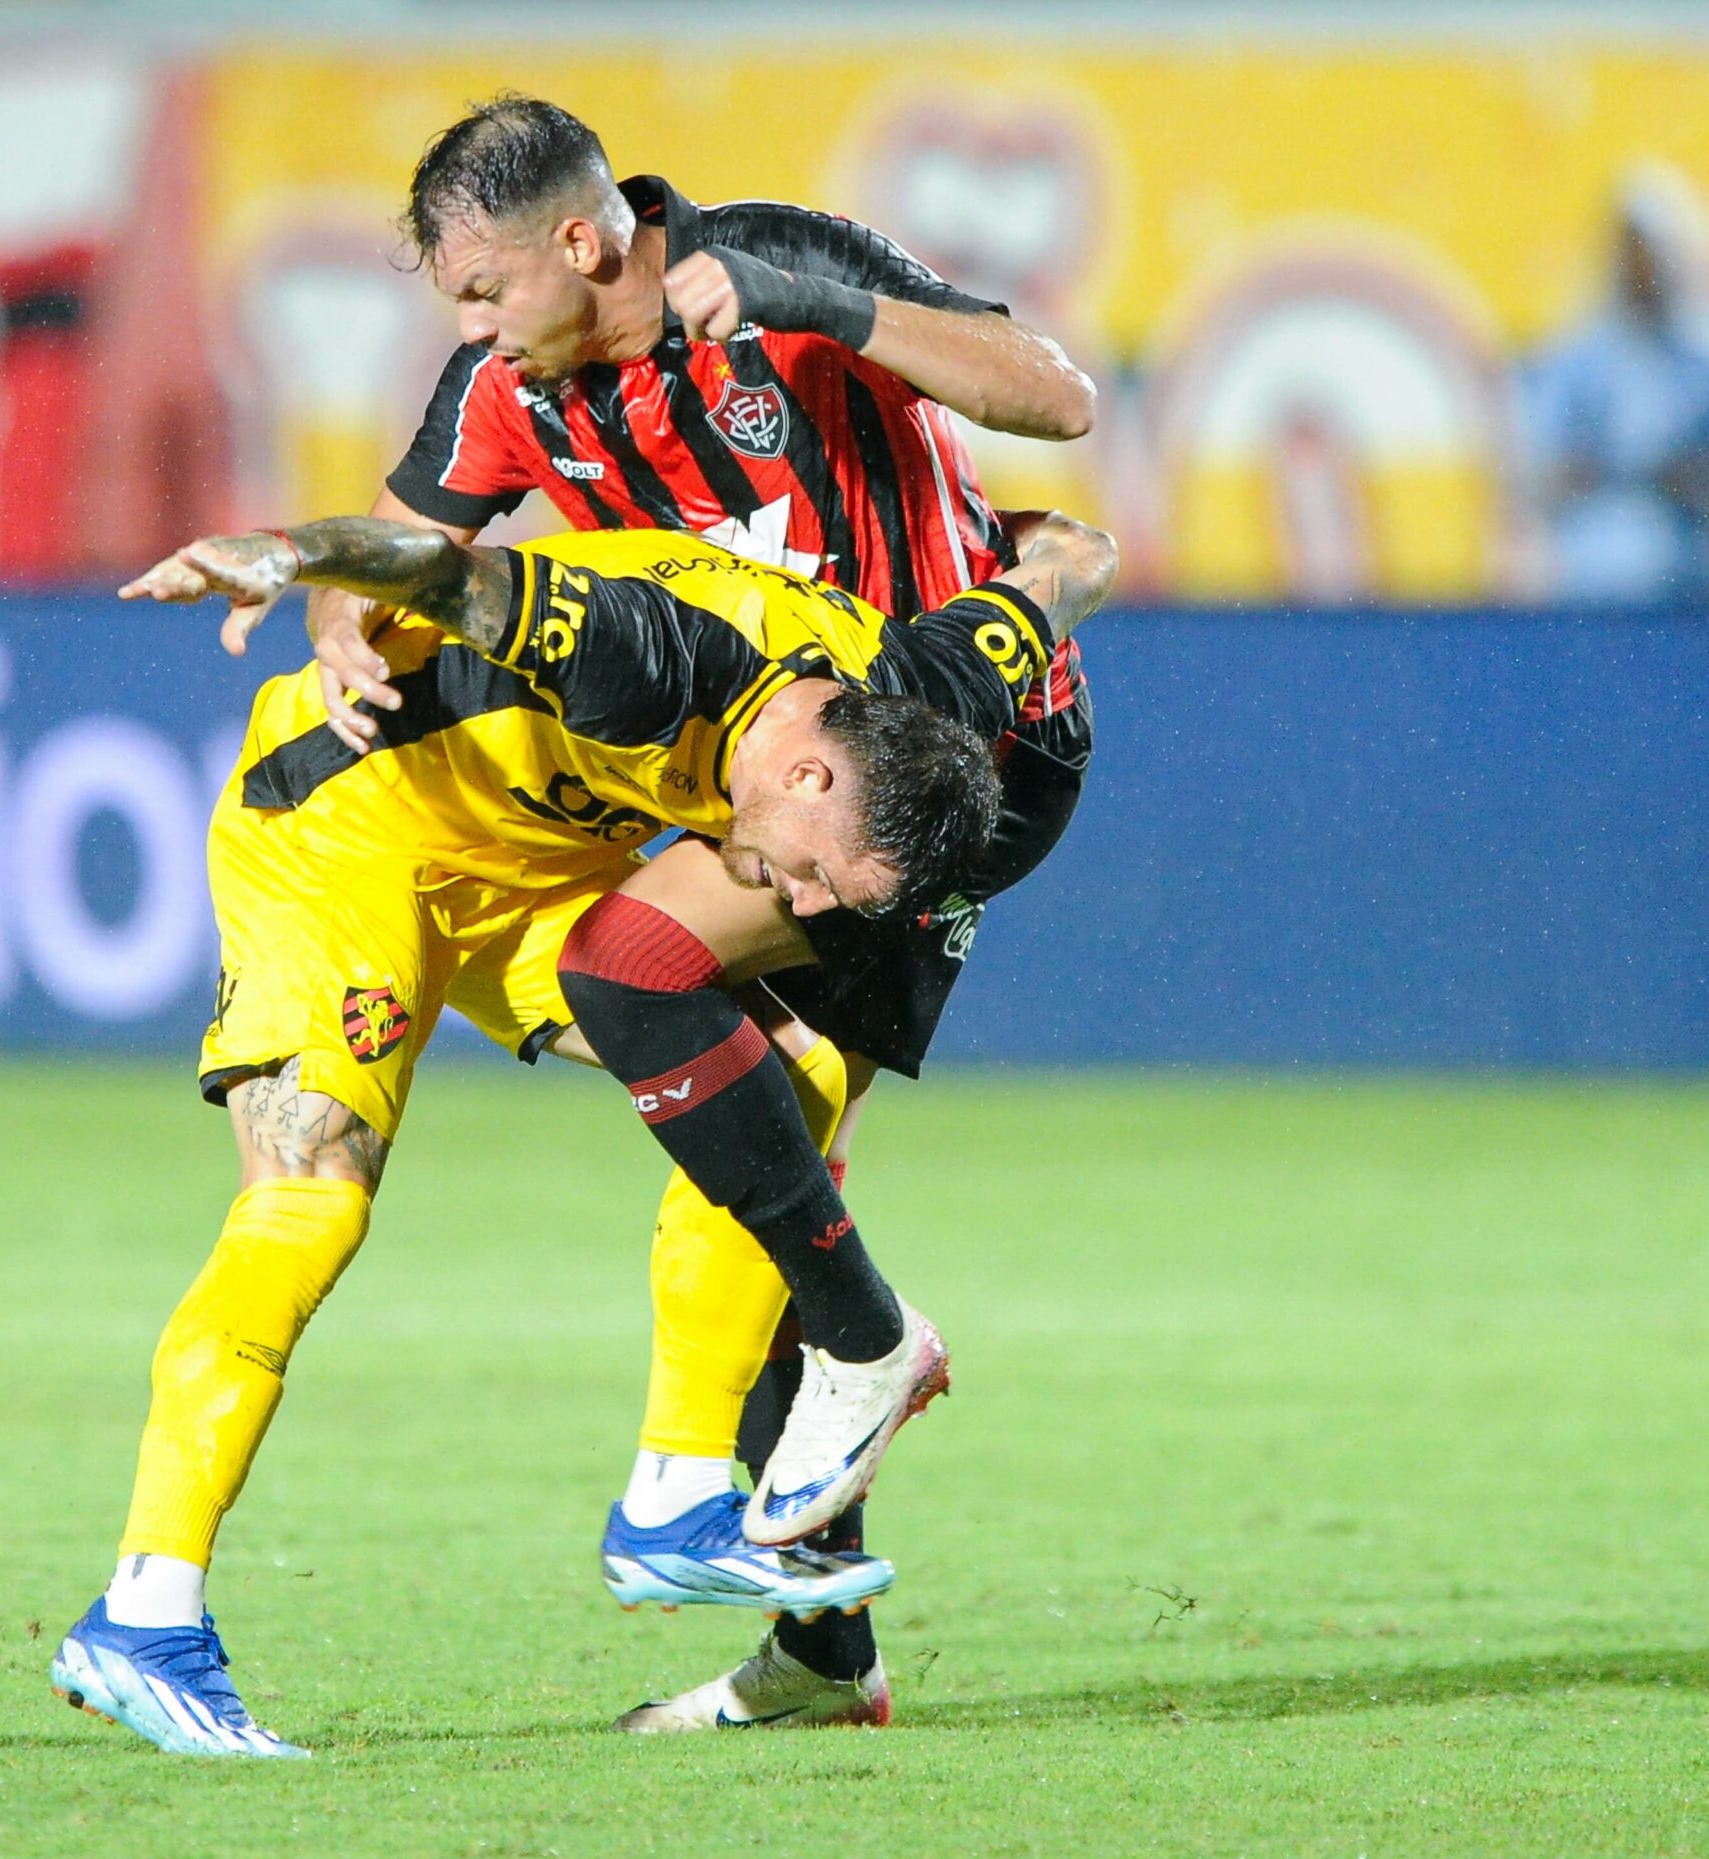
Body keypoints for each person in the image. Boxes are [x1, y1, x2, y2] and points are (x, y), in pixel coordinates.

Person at [251, 94, 1101, 1731]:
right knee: (754, 1145)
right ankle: (817, 1630)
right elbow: (406, 558)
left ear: (584, 241)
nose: (474, 329)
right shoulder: (505, 388)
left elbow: (1054, 401)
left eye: (487, 289)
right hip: (782, 783)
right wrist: (354, 625)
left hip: (946, 738)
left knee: (651, 989)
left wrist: (831, 313)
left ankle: (805, 1402)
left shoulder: (770, 266)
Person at [51, 509, 1116, 1756]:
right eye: (825, 874)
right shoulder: (647, 655)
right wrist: (296, 558)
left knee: (789, 1070)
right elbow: (447, 571)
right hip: (345, 834)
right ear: (812, 777)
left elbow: (1071, 565)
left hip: (529, 874)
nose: (809, 905)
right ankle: (143, 1612)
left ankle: (674, 1491)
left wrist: (1049, 561)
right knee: (312, 1198)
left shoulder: (909, 685)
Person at [1526, 170, 1709, 605]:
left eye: (1649, 255)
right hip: (1588, 595)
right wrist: (1592, 476)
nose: (1640, 271)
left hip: (1692, 599)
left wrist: (1696, 480)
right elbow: (1533, 487)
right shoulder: (1569, 372)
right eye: (1631, 255)